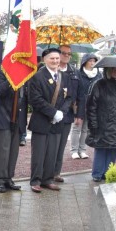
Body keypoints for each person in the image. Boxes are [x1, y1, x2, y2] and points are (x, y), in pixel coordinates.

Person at [28, 48, 73, 193]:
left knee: (52, 153)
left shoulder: (64, 77)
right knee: (39, 154)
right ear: (44, 59)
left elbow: (69, 97)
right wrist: (53, 113)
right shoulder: (37, 77)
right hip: (41, 120)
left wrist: (61, 113)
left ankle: (48, 179)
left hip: (58, 121)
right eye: (52, 58)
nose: (55, 61)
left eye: (57, 58)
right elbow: (35, 99)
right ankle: (35, 181)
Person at [86, 67, 116, 181]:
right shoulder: (99, 84)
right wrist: (93, 125)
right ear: (107, 70)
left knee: (113, 148)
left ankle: (108, 173)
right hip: (103, 123)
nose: (115, 72)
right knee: (102, 148)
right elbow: (91, 106)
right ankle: (97, 174)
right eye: (112, 69)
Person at [0, 66, 26, 193]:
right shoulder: (0, 70)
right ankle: (0, 180)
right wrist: (13, 78)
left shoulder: (24, 70)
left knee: (13, 151)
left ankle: (8, 178)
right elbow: (0, 90)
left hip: (18, 116)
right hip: (3, 116)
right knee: (2, 151)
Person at [51, 45, 78, 183]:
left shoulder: (74, 72)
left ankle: (56, 172)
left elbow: (77, 94)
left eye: (69, 54)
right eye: (63, 53)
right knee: (51, 145)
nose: (66, 55)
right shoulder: (50, 70)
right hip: (51, 114)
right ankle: (47, 173)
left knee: (61, 145)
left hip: (66, 115)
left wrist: (78, 114)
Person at [70, 53, 102, 160]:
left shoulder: (98, 75)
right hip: (80, 104)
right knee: (76, 127)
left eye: (94, 61)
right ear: (85, 62)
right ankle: (74, 150)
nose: (92, 63)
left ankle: (82, 150)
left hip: (92, 105)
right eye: (90, 61)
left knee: (85, 129)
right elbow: (75, 90)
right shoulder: (78, 73)